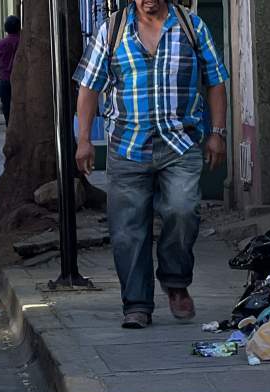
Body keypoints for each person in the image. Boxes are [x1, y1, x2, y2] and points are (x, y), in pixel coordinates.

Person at [73, 0, 229, 329]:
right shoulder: (111, 30)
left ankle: (175, 282)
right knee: (128, 230)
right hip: (127, 146)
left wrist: (217, 133)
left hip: (180, 143)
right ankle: (137, 304)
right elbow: (89, 87)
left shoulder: (192, 27)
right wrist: (84, 139)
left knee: (183, 210)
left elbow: (215, 81)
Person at [0, 15, 20, 126]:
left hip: (5, 80)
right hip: (21, 80)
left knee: (7, 107)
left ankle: (9, 126)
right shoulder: (23, 43)